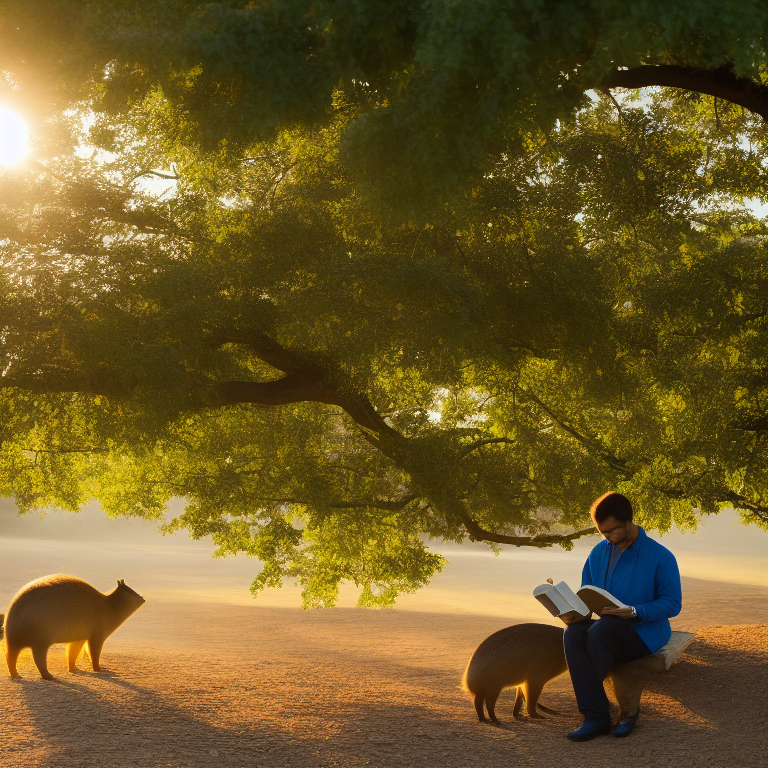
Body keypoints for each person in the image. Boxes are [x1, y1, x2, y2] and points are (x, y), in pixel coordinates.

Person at [562, 491, 681, 741]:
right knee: (573, 634)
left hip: (644, 632)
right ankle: (597, 718)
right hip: (606, 628)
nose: (608, 538)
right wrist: (577, 614)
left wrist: (636, 611)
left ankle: (603, 711)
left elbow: (672, 603)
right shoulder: (598, 552)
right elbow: (587, 591)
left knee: (601, 631)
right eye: (602, 533)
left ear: (628, 522)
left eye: (611, 531)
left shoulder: (661, 556)